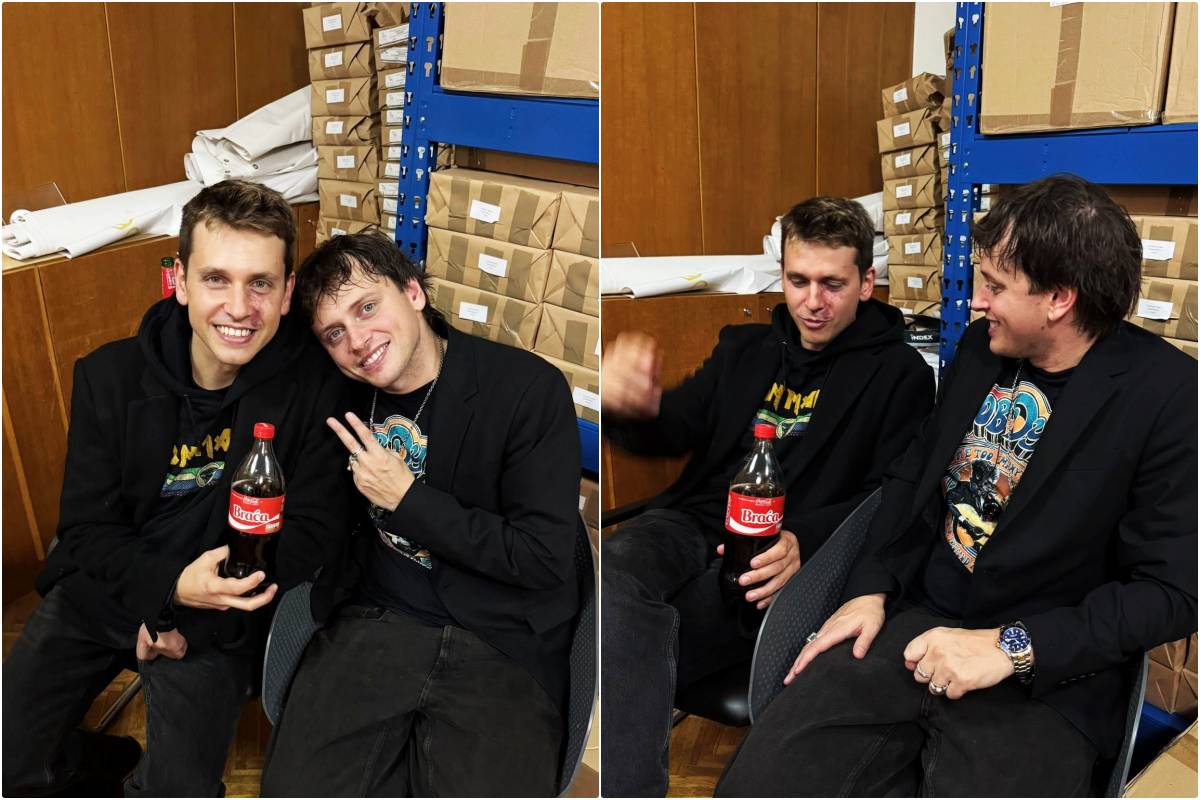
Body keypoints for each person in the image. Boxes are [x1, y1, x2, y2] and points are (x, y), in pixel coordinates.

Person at [716, 174, 1198, 797]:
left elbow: (1171, 593)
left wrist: (1011, 647)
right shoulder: (981, 349)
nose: (975, 303)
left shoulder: (1169, 397)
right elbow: (911, 476)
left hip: (1040, 673)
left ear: (1058, 299)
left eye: (994, 286)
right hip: (914, 624)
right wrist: (869, 588)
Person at [2, 180, 348, 797]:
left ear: (287, 291)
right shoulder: (108, 377)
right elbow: (85, 531)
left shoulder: (317, 386)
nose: (239, 308)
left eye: (260, 283)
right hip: (112, 587)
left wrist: (189, 608)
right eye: (216, 279)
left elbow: (312, 536)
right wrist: (160, 594)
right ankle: (87, 761)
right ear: (181, 281)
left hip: (220, 617)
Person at [601, 196, 936, 796]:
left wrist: (808, 540)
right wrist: (636, 407)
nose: (812, 301)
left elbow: (891, 496)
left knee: (641, 634)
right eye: (798, 280)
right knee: (612, 578)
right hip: (692, 523)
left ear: (867, 283)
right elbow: (675, 428)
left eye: (832, 284)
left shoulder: (899, 374)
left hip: (776, 551)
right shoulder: (745, 348)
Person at [260, 231, 581, 797]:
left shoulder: (526, 388)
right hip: (375, 623)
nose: (357, 341)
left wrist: (408, 500)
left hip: (500, 640)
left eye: (367, 308)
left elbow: (541, 558)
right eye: (335, 333)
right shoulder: (338, 395)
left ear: (413, 292)